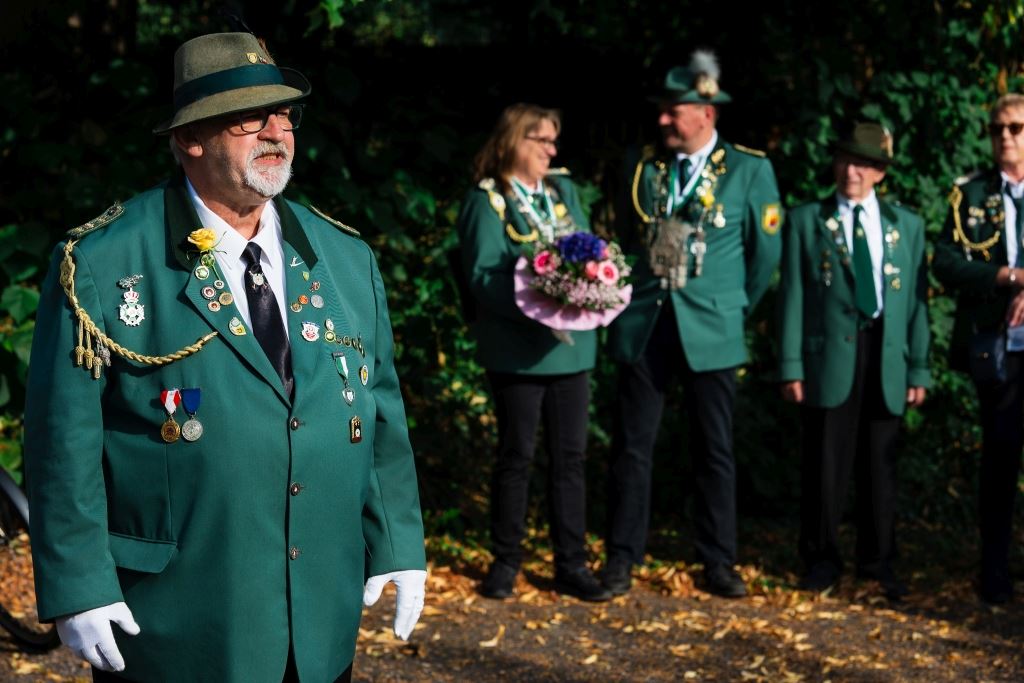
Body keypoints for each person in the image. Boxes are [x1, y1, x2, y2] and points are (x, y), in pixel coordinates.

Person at [23, 32, 426, 682]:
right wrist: (78, 583)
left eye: (284, 113)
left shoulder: (345, 257)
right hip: (177, 620)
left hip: (316, 619)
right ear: (190, 137)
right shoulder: (103, 262)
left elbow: (377, 413)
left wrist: (399, 542)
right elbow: (62, 442)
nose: (275, 131)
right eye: (248, 117)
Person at [603, 51, 782, 598]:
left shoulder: (749, 169)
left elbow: (765, 257)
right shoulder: (643, 165)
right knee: (632, 446)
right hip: (646, 322)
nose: (662, 119)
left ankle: (718, 561)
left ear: (706, 112)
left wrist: (731, 307)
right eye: (661, 109)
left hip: (713, 327)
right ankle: (621, 558)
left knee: (714, 449)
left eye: (673, 111)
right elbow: (625, 236)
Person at [456, 103, 611, 602]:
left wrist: (582, 290)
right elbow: (482, 277)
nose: (551, 149)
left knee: (570, 459)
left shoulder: (563, 192)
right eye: (541, 139)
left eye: (553, 140)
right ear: (513, 142)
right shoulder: (487, 200)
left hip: (573, 350)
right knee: (516, 456)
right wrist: (540, 303)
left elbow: (591, 253)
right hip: (517, 351)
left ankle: (572, 564)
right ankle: (506, 562)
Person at [777, 121, 930, 599]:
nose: (852, 172)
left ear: (880, 172)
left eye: (863, 164)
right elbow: (792, 297)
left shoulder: (906, 226)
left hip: (885, 352)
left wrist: (919, 366)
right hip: (829, 355)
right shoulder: (806, 220)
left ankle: (878, 561)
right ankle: (821, 558)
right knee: (826, 461)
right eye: (845, 161)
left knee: (880, 464)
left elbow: (917, 304)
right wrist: (791, 364)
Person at [933, 93, 1024, 604]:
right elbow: (945, 262)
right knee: (1000, 456)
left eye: (1015, 127)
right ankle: (994, 569)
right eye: (997, 129)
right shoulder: (969, 195)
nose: (1004, 136)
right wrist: (1006, 276)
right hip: (1000, 348)